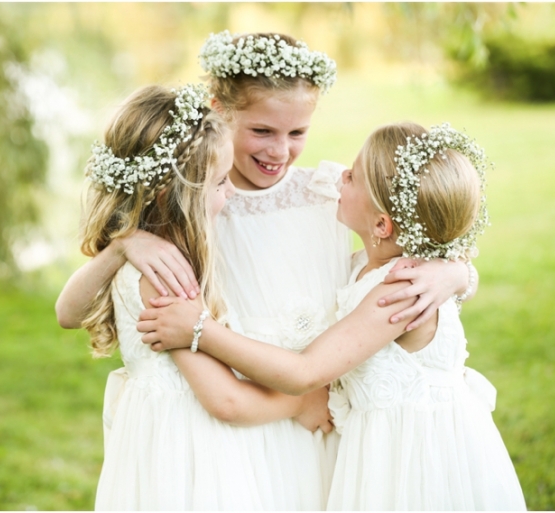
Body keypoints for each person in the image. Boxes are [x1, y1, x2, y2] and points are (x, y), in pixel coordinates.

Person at [57, 31, 477, 507]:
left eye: (297, 133)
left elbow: (417, 237)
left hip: (320, 418)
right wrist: (125, 242)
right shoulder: (193, 211)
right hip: (247, 422)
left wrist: (456, 274)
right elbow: (74, 308)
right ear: (220, 110)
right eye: (262, 132)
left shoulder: (330, 193)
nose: (280, 151)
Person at [139, 122, 527, 510]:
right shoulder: (372, 268)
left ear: (381, 225)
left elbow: (304, 373)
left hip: (418, 459)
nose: (341, 174)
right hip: (382, 447)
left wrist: (200, 330)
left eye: (353, 177)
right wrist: (459, 272)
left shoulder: (399, 291)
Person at [80, 83, 334, 511]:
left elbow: (67, 311)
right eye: (218, 183)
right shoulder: (168, 278)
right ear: (170, 192)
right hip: (192, 453)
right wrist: (300, 402)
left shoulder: (150, 258)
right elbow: (226, 401)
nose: (229, 192)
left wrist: (122, 244)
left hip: (157, 441)